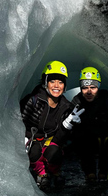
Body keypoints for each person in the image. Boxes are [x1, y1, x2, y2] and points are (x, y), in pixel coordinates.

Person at [20, 60, 84, 191]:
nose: (56, 85)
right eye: (52, 81)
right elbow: (18, 119)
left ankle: (55, 172)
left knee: (54, 152)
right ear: (45, 83)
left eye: (60, 82)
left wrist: (66, 126)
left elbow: (61, 139)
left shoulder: (65, 107)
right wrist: (22, 138)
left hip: (50, 140)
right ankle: (42, 175)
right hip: (32, 139)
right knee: (34, 151)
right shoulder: (32, 101)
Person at [71, 67, 108, 182]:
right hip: (87, 139)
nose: (89, 91)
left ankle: (105, 171)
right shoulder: (76, 101)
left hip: (104, 138)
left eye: (93, 87)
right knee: (83, 138)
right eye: (85, 88)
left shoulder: (107, 100)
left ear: (98, 87)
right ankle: (90, 172)